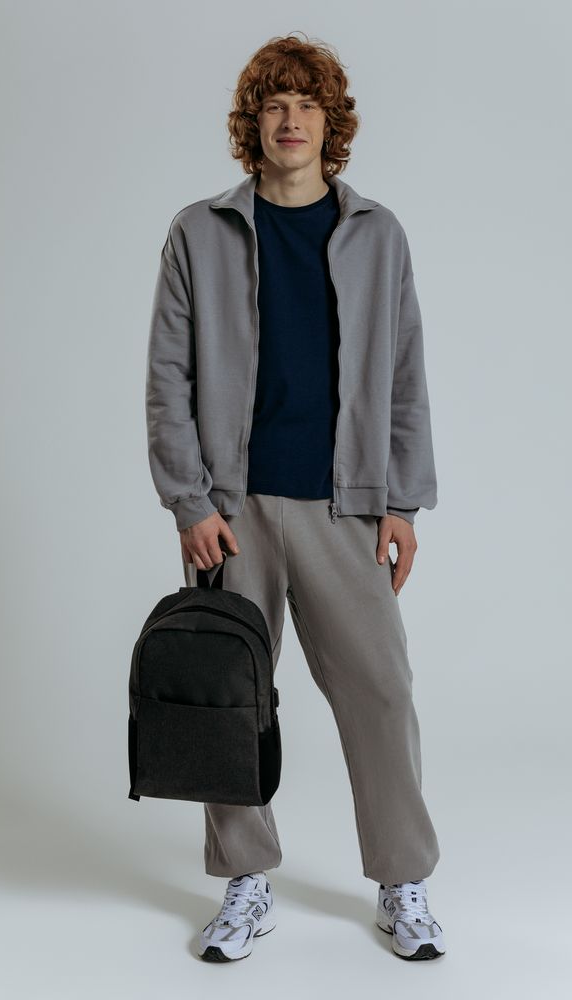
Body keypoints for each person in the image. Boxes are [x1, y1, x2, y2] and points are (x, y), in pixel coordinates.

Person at [145, 32, 445, 963]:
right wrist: (189, 502)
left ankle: (402, 880)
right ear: (253, 122)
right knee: (228, 696)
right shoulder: (199, 232)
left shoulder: (377, 234)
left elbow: (404, 376)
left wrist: (403, 502)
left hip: (345, 505)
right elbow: (166, 378)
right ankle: (245, 879)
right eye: (274, 103)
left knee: (381, 691)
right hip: (230, 511)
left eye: (307, 104)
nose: (290, 119)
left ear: (329, 123)